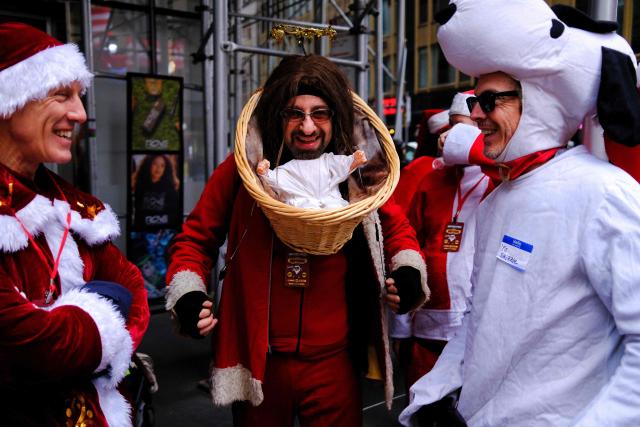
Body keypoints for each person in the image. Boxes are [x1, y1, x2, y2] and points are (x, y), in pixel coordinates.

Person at [401, 1, 640, 426]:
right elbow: (480, 320)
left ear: (541, 101)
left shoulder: (603, 193)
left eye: (490, 101)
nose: (476, 115)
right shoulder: (498, 198)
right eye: (475, 99)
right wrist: (435, 393)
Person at [165, 54, 428, 426]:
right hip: (261, 363)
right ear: (277, 116)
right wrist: (188, 294)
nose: (308, 127)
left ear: (336, 116)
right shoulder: (246, 167)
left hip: (334, 361)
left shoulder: (357, 171)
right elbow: (195, 238)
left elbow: (398, 229)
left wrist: (408, 274)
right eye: (294, 113)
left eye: (320, 113)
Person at [0, 22, 149, 426]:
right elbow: (30, 345)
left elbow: (133, 291)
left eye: (79, 97)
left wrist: (73, 327)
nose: (80, 114)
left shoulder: (75, 207)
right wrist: (104, 310)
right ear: (11, 99)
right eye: (62, 95)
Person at [391, 92, 488, 393]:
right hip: (428, 327)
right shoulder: (430, 180)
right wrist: (401, 326)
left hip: (478, 326)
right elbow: (409, 249)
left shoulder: (499, 181)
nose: (455, 136)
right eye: (453, 126)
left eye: (468, 127)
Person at [256, 149, 367, 209]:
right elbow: (279, 180)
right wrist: (266, 172)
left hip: (329, 197)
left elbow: (339, 165)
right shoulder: (291, 167)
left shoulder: (325, 160)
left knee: (335, 207)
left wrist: (352, 160)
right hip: (301, 202)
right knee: (304, 208)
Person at [133, 153, 179, 228]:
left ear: (166, 168)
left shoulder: (170, 188)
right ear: (149, 165)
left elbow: (173, 215)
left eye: (162, 166)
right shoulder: (139, 185)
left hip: (164, 230)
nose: (158, 168)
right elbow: (138, 214)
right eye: (155, 164)